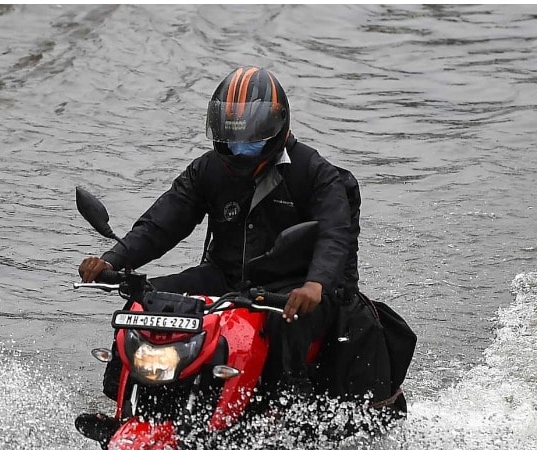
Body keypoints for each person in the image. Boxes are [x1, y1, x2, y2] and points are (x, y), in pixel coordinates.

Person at [78, 66, 361, 398]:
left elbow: (334, 235)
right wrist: (113, 260)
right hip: (225, 279)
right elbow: (162, 223)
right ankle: (122, 396)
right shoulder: (208, 169)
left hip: (295, 290)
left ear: (277, 128)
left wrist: (316, 283)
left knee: (284, 324)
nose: (239, 149)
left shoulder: (315, 173)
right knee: (145, 303)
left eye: (250, 141)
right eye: (232, 139)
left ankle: (291, 400)